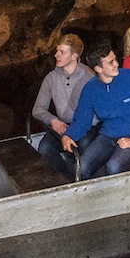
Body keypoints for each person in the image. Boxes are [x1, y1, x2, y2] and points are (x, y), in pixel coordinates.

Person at [61, 37, 130, 178]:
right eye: (111, 62)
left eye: (115, 59)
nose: (116, 64)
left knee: (113, 167)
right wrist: (68, 135)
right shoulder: (90, 89)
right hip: (107, 136)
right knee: (80, 168)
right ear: (98, 68)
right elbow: (82, 120)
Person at [31, 33, 92, 179]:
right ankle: (68, 178)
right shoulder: (51, 78)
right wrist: (53, 120)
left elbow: (95, 114)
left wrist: (74, 130)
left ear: (74, 56)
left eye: (61, 52)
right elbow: (38, 109)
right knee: (45, 148)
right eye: (57, 51)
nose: (56, 55)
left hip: (87, 125)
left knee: (84, 146)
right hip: (63, 124)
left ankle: (86, 178)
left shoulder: (89, 77)